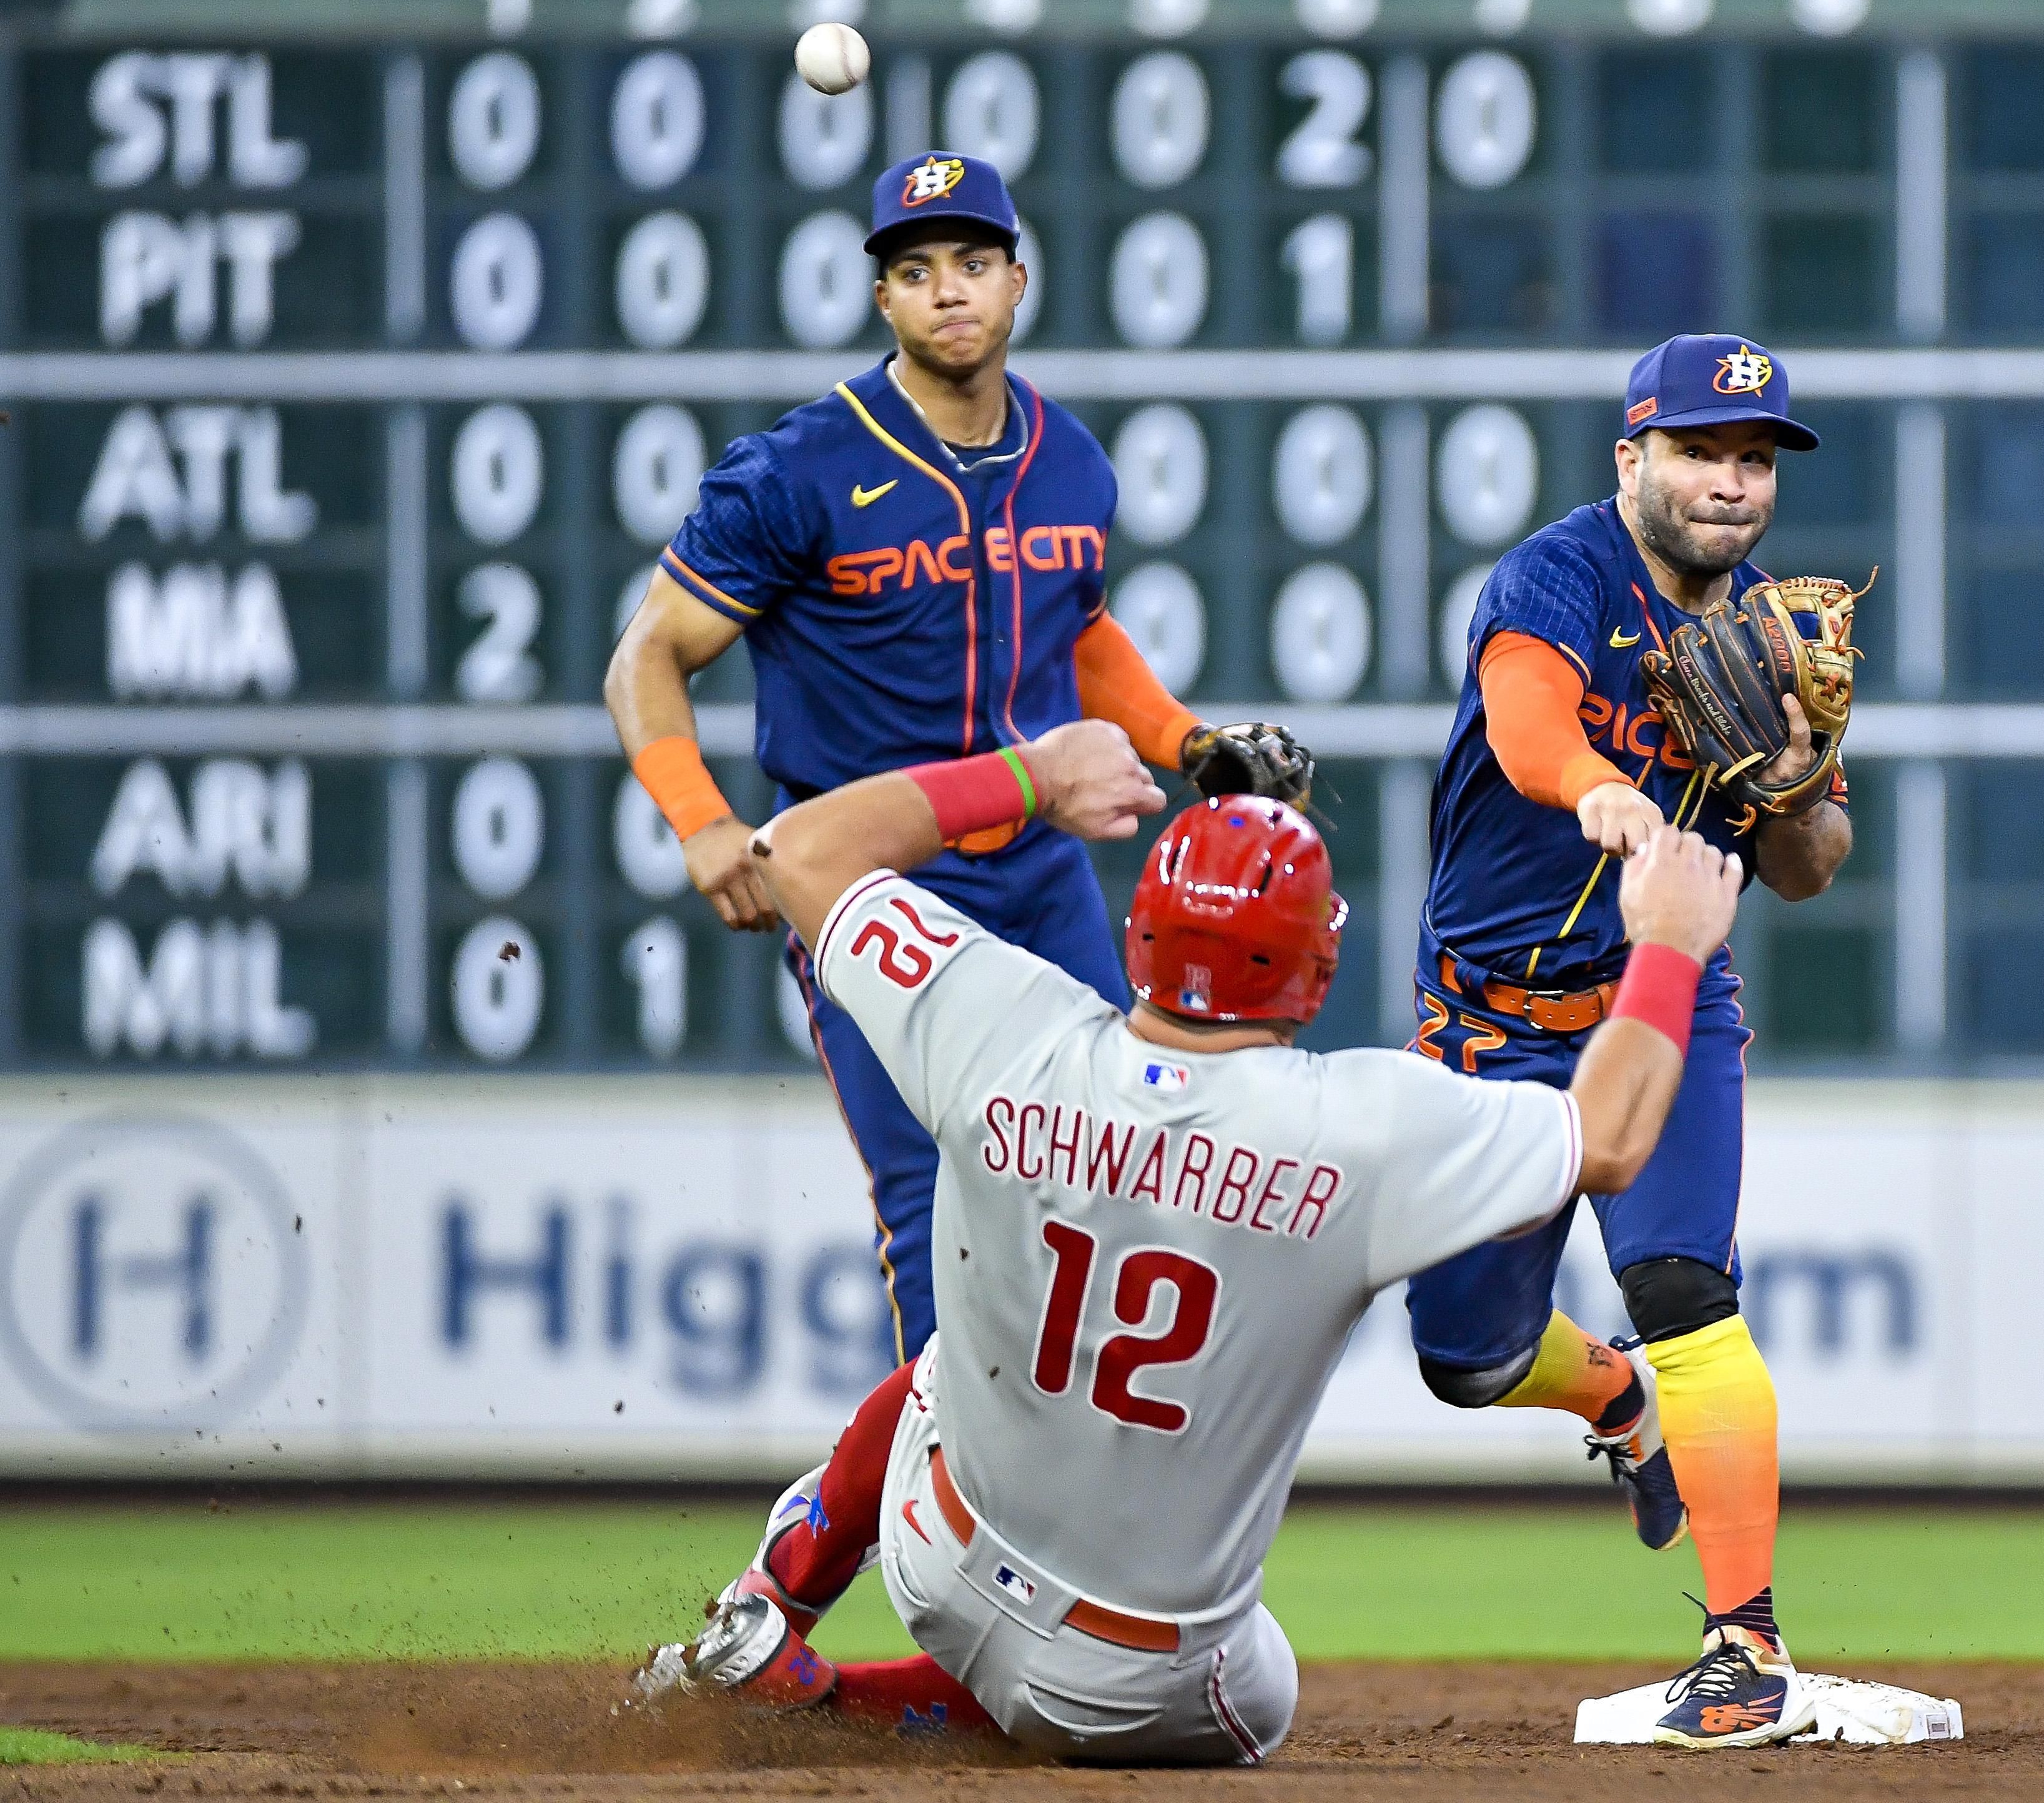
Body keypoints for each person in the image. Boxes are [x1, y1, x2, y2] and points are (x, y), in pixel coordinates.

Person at [631, 717, 1745, 1765]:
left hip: (934, 1553)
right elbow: (1611, 1135)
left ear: (1137, 934)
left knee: (940, 1374)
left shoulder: (1006, 1026)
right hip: (1133, 1677)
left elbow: (793, 849)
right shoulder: (1362, 1129)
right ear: (1317, 973)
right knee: (1265, 1689)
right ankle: (839, 1710)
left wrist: (1034, 776)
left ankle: (769, 1608)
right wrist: (1666, 945)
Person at [603, 152, 1306, 1368]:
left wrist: (1186, 740)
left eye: (973, 263)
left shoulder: (1069, 460)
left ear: (1017, 281)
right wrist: (700, 820)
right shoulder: (797, 471)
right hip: (870, 885)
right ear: (883, 296)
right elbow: (647, 655)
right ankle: (943, 1474)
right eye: (918, 269)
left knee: (1119, 1174)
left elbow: (1075, 629)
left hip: (1035, 875)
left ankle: (1087, 1461)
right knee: (935, 1205)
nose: (948, 290)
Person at [1400, 334, 1857, 1749]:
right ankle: (1612, 1398)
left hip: (1666, 989)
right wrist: (1600, 787)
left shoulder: (1783, 639)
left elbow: (1811, 870)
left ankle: (1745, 1645)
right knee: (1464, 1358)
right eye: (1700, 451)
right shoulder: (1560, 573)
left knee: (1685, 1289)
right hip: (1489, 1013)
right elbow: (1525, 725)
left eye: (1754, 460)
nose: (1730, 482)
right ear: (1632, 459)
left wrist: (1795, 783)